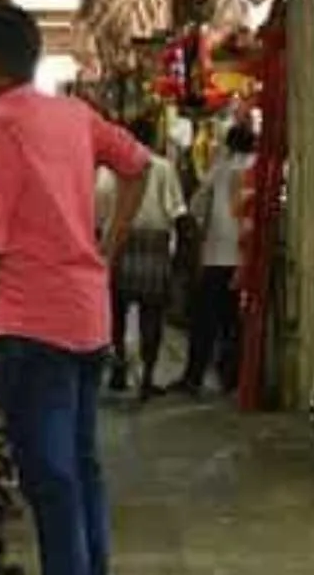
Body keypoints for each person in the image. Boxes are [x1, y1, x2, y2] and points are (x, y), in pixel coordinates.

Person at [0, 3, 147, 575]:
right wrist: (105, 246)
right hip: (86, 319)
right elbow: (136, 165)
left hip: (31, 327)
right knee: (81, 476)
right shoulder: (73, 115)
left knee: (52, 483)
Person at [99, 123, 185, 399]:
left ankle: (118, 369)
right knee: (153, 315)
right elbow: (177, 212)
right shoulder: (162, 167)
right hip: (154, 244)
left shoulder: (107, 170)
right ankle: (147, 377)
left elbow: (98, 212)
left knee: (115, 313)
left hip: (117, 241)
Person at [179, 121, 258, 396]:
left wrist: (200, 232)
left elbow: (196, 205)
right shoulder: (257, 168)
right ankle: (232, 378)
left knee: (205, 321)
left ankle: (194, 377)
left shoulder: (221, 169)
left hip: (217, 256)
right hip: (248, 256)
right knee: (234, 322)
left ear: (229, 144)